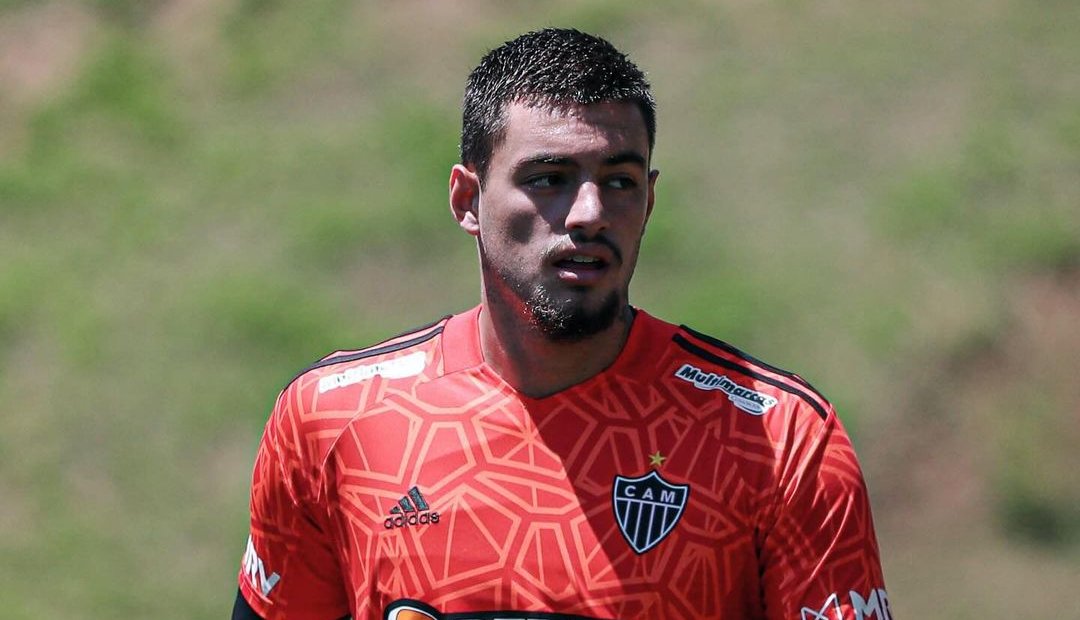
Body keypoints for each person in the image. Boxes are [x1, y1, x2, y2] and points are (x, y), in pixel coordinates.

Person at [232, 28, 889, 620]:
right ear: (467, 199)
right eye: (549, 178)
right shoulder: (334, 420)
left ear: (650, 199)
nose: (588, 213)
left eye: (620, 181)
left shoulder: (779, 442)